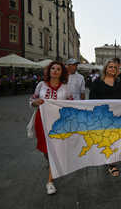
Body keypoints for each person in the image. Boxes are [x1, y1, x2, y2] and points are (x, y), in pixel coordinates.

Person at [29, 61, 73, 195]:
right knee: (46, 150)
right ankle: (51, 162)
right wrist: (35, 102)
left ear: (62, 72)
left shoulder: (66, 88)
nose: (54, 71)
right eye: (52, 68)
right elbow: (31, 100)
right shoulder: (41, 85)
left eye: (58, 69)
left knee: (55, 149)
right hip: (41, 121)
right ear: (49, 71)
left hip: (58, 123)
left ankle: (50, 181)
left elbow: (71, 105)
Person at [89, 59, 121, 177]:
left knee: (114, 138)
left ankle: (112, 163)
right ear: (105, 68)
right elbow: (92, 100)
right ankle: (105, 157)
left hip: (116, 116)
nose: (113, 69)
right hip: (102, 116)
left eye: (115, 67)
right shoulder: (97, 82)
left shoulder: (119, 82)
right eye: (110, 67)